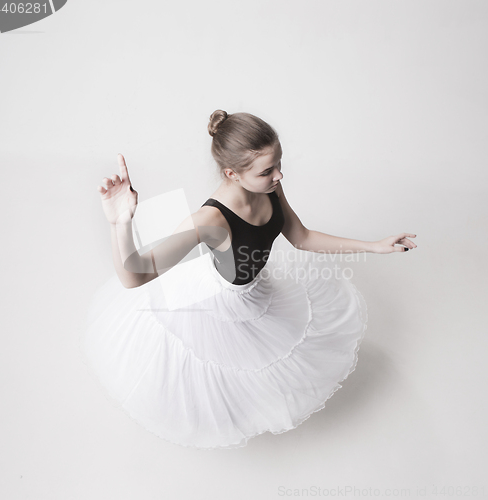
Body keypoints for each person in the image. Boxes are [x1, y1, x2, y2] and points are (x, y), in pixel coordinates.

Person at [81, 110, 417, 450]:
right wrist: (119, 222)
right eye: (268, 170)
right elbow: (133, 273)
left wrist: (374, 246)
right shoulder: (209, 220)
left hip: (254, 288)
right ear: (232, 174)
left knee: (278, 354)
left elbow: (300, 237)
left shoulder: (270, 188)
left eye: (278, 164)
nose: (279, 175)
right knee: (215, 372)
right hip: (219, 299)